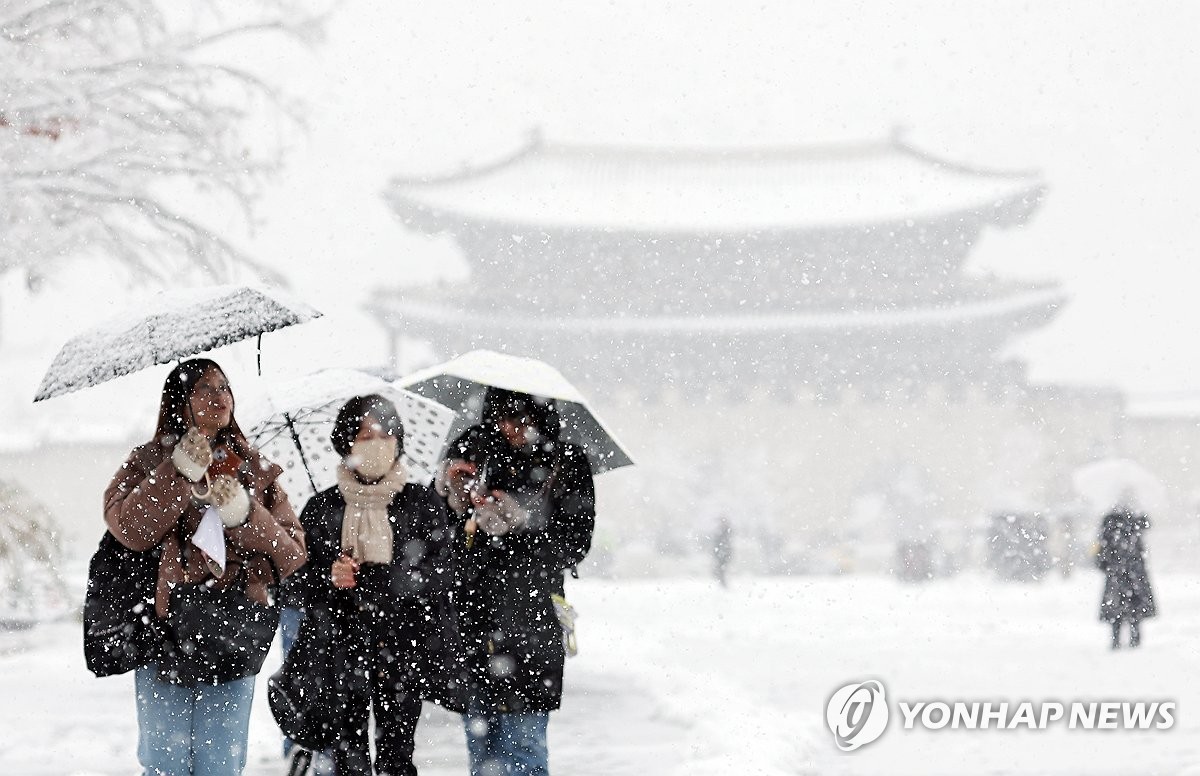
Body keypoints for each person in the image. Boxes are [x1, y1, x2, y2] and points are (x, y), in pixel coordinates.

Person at [103, 358, 306, 775]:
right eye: (205, 389)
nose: (220, 397)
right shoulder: (145, 463)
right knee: (165, 763)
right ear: (181, 400)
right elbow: (130, 528)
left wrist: (245, 514)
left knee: (222, 764)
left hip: (233, 629)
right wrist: (176, 472)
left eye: (225, 387)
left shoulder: (254, 469)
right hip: (164, 630)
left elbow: (289, 555)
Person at [291, 394, 461, 775]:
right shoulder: (323, 508)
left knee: (397, 757)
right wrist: (329, 576)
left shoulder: (421, 502)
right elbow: (296, 581)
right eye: (365, 434)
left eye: (386, 433)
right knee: (346, 757)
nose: (376, 442)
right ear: (346, 442)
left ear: (399, 441)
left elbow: (443, 571)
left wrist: (386, 578)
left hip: (402, 646)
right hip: (340, 648)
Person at [437, 388, 595, 776]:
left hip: (532, 620)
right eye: (503, 418)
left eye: (522, 419)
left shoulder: (565, 462)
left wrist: (520, 524)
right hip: (473, 618)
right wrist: (450, 494)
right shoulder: (472, 450)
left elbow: (574, 544)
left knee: (524, 747)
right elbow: (436, 536)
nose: (511, 429)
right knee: (484, 749)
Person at [1096, 499, 1157, 649]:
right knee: (1132, 606)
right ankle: (1132, 638)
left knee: (1118, 606)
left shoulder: (1111, 522)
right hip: (1132, 569)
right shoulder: (1133, 520)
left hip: (1118, 569)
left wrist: (1103, 562)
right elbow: (1146, 525)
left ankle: (1118, 639)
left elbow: (1102, 545)